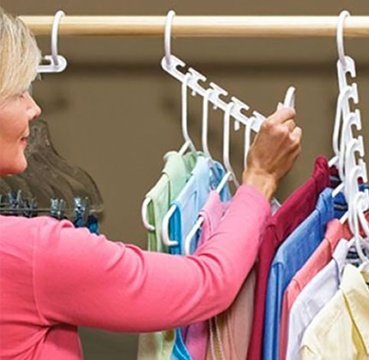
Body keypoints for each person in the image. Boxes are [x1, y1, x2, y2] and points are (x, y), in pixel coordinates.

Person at [0, 7, 302, 360]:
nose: (34, 108)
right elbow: (207, 284)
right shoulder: (29, 254)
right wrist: (260, 179)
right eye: (19, 93)